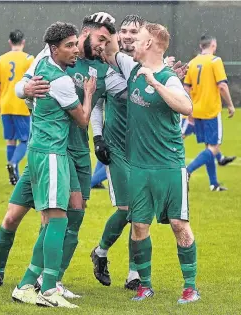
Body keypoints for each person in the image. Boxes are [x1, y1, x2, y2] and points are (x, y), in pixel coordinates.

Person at [0, 12, 125, 298]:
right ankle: (0, 273)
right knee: (15, 217)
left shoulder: (104, 69)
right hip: (49, 150)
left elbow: (118, 97)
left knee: (72, 215)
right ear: (85, 34)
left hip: (76, 152)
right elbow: (23, 84)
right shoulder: (53, 54)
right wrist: (25, 88)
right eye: (101, 39)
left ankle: (52, 281)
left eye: (109, 41)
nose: (103, 46)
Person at [104, 21, 200, 304]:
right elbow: (109, 47)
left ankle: (190, 287)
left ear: (148, 45)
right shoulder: (132, 68)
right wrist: (107, 25)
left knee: (179, 225)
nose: (129, 41)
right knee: (139, 226)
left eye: (138, 37)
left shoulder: (168, 78)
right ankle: (145, 285)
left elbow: (187, 107)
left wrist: (155, 83)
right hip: (139, 168)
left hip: (169, 166)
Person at [10, 22, 96, 308]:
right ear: (53, 48)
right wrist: (89, 92)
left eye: (75, 44)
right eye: (68, 46)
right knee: (58, 219)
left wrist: (24, 89)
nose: (74, 50)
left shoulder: (42, 62)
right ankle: (49, 289)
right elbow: (83, 120)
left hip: (42, 151)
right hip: (51, 154)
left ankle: (25, 285)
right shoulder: (59, 81)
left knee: (52, 219)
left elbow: (24, 84)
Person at [90, 15, 146, 291]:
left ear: (143, 35)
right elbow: (98, 104)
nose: (126, 35)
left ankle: (133, 273)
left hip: (145, 149)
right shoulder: (104, 64)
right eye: (123, 30)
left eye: (133, 32)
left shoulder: (150, 64)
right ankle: (101, 252)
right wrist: (98, 138)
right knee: (127, 209)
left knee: (140, 213)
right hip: (117, 146)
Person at [184, 35, 235, 191]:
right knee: (214, 147)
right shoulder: (215, 61)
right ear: (213, 45)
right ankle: (187, 171)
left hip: (196, 110)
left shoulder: (192, 63)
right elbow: (222, 86)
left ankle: (214, 184)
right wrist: (230, 105)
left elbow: (186, 88)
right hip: (211, 110)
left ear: (201, 46)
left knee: (209, 147)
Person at [0, 30, 34, 184]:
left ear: (10, 42)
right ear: (23, 42)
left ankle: (14, 177)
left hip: (5, 105)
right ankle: (14, 163)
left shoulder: (0, 60)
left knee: (10, 140)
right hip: (21, 104)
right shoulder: (29, 59)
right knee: (25, 140)